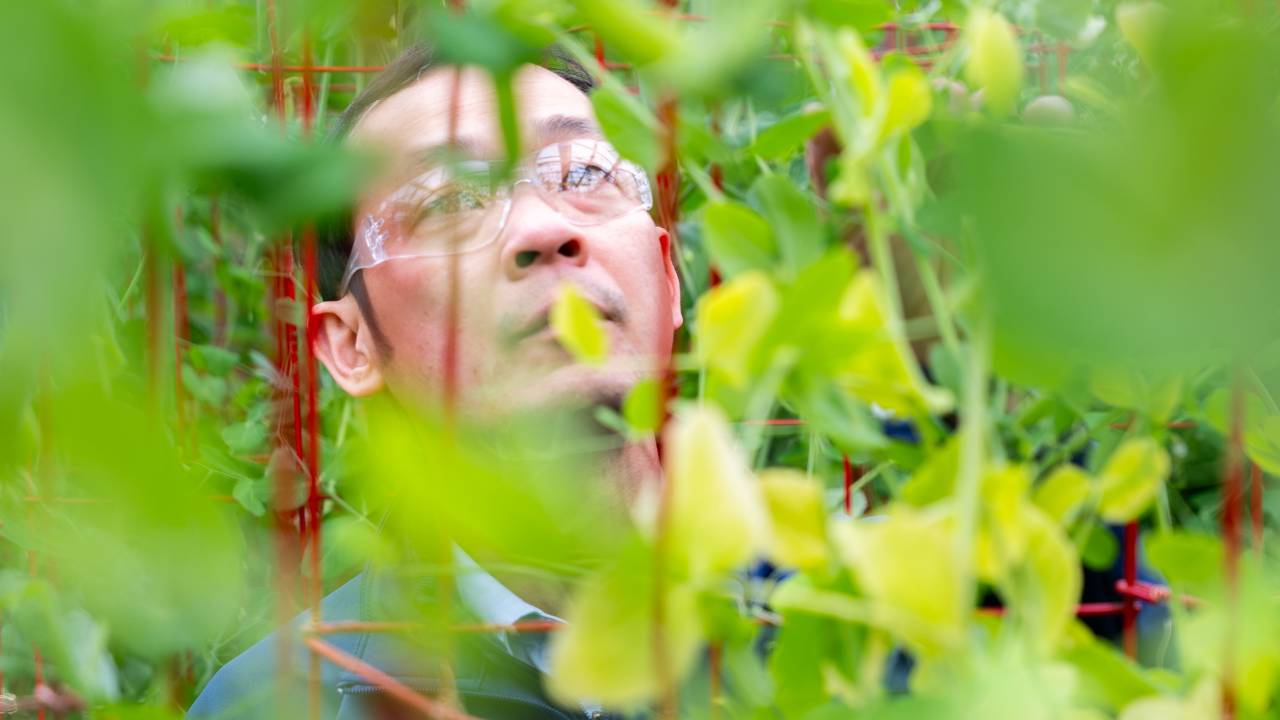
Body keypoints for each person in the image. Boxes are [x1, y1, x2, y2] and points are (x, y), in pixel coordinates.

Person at [188, 45, 681, 720]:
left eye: (582, 172)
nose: (542, 227)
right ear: (352, 346)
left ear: (668, 276)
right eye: (452, 200)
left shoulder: (852, 618)